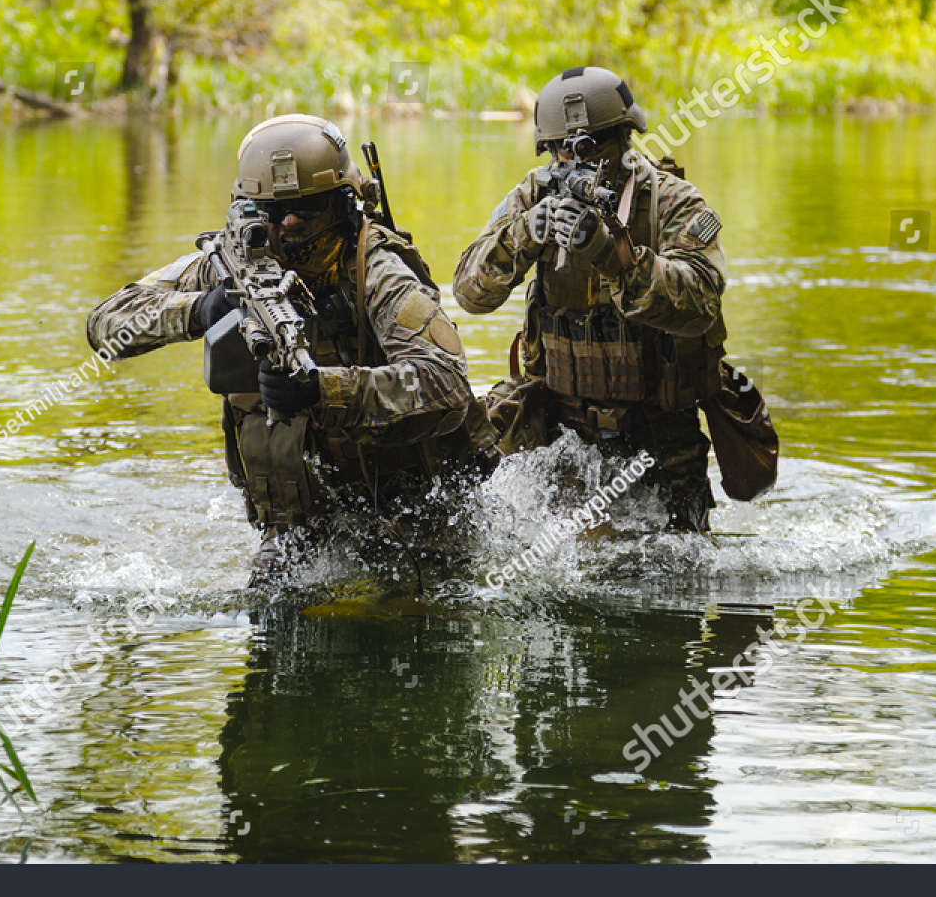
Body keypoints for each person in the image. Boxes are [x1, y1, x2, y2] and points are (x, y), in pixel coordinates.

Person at [86, 114, 497, 583]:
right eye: (271, 212)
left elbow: (447, 384)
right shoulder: (234, 260)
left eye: (308, 208)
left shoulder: (376, 272)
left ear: (343, 207)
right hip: (297, 523)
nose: (288, 224)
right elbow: (105, 324)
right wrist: (201, 309)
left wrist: (324, 390)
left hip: (416, 515)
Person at [453, 67, 729, 533]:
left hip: (657, 434)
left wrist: (611, 254)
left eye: (592, 145)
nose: (576, 159)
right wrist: (525, 234)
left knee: (670, 570)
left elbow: (701, 302)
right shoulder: (532, 196)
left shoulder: (672, 202)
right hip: (561, 431)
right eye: (562, 149)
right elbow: (469, 293)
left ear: (625, 138)